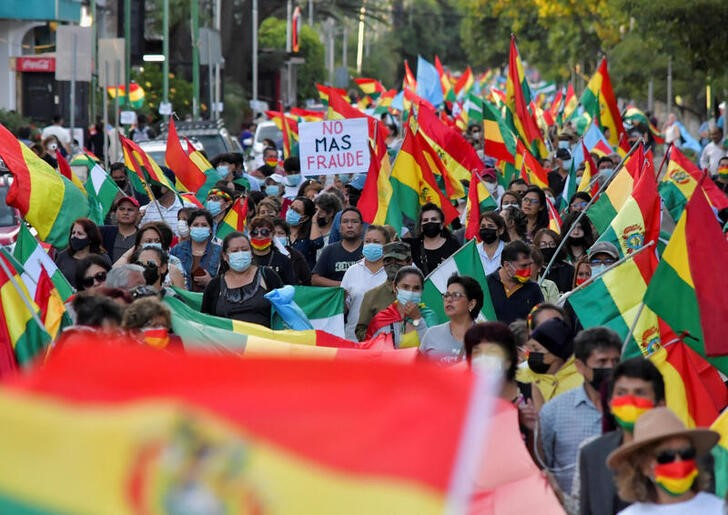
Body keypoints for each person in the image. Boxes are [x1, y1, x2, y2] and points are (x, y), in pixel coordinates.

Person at [539, 327, 622, 496]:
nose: (610, 368)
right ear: (580, 366)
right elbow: (544, 465)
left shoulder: (634, 406)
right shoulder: (553, 412)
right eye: (602, 362)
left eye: (615, 361)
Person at [578, 358, 666, 515]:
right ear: (610, 404)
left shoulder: (686, 453)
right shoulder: (592, 453)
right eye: (621, 393)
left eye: (640, 393)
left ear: (660, 404)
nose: (629, 401)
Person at [607, 408, 723, 514]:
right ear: (644, 466)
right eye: (666, 456)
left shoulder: (720, 510)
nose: (678, 461)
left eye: (686, 453)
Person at [464, 322, 544, 442]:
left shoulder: (532, 392)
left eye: (492, 352)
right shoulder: (470, 405)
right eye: (477, 352)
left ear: (509, 359)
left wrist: (532, 429)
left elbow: (546, 452)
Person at [201, 232, 283, 327]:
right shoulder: (215, 285)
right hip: (228, 340)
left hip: (264, 339)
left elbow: (284, 311)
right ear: (225, 256)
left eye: (244, 250)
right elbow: (206, 320)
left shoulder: (267, 276)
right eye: (235, 251)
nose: (240, 254)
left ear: (251, 253)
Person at [340, 225, 391, 340]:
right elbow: (343, 310)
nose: (371, 245)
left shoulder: (394, 272)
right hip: (354, 338)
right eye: (367, 241)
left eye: (376, 242)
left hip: (386, 339)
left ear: (386, 245)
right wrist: (341, 299)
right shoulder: (352, 271)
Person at [419, 274, 483, 364]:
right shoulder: (432, 334)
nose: (448, 300)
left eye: (456, 295)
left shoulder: (486, 338)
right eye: (446, 295)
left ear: (471, 304)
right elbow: (417, 371)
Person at [356, 241, 413, 341]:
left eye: (398, 260)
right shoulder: (372, 296)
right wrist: (382, 340)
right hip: (383, 353)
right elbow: (361, 331)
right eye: (388, 260)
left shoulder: (421, 293)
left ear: (409, 262)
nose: (393, 264)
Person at [364, 266, 434, 348]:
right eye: (405, 287)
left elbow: (434, 351)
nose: (410, 292)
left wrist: (418, 320)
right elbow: (370, 353)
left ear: (422, 291)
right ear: (394, 287)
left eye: (416, 288)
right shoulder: (381, 320)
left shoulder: (429, 317)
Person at [517, 315, 581, 402]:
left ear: (557, 353)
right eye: (529, 348)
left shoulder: (582, 383)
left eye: (536, 349)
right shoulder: (519, 376)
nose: (530, 354)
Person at [486, 241, 544, 324]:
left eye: (530, 264)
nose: (529, 271)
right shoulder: (486, 284)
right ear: (507, 265)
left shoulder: (533, 288)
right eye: (523, 266)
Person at [170, 209, 222, 291]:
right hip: (183, 300)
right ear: (189, 228)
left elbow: (226, 281)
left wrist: (210, 282)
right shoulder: (177, 250)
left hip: (209, 300)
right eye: (196, 225)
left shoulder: (219, 252)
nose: (199, 228)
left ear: (211, 229)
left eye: (204, 225)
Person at [311, 207, 364, 287]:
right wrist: (342, 285)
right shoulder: (329, 250)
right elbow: (315, 279)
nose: (349, 225)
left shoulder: (368, 250)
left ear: (361, 226)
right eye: (345, 222)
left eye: (355, 222)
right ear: (339, 227)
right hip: (337, 297)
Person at [404, 203, 460, 276]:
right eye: (425, 220)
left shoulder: (453, 244)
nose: (429, 222)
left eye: (434, 219)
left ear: (441, 225)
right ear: (421, 226)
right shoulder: (412, 245)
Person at [54, 218, 111, 288]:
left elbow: (109, 281)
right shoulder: (62, 256)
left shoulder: (102, 258)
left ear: (90, 238)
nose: (75, 236)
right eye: (73, 233)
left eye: (80, 234)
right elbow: (54, 280)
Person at [248, 215, 297, 285]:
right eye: (254, 232)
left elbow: (290, 287)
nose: (259, 236)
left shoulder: (284, 260)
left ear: (272, 234)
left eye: (264, 232)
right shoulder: (245, 259)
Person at [286, 196, 322, 269]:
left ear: (305, 217)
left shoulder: (309, 235)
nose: (291, 212)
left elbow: (317, 243)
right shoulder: (281, 231)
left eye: (297, 211)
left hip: (304, 277)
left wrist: (314, 220)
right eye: (291, 208)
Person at [100, 196, 140, 262]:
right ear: (116, 212)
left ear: (138, 214)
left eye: (130, 210)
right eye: (121, 209)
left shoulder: (142, 236)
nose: (125, 213)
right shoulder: (103, 232)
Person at [272, 218, 311, 285]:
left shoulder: (296, 256)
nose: (276, 237)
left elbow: (307, 280)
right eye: (273, 234)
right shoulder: (264, 255)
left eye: (281, 233)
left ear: (287, 236)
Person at [533, 228, 574, 293]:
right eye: (543, 245)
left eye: (552, 244)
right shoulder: (533, 269)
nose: (548, 247)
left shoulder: (568, 269)